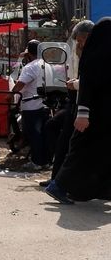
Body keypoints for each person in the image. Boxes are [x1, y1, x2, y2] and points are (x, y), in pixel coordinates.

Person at [46, 18, 111, 204]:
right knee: (80, 153)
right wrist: (83, 113)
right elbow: (88, 87)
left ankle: (99, 190)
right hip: (91, 116)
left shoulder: (103, 57)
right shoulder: (95, 59)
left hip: (103, 118)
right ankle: (57, 186)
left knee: (102, 154)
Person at [40, 20, 94, 188]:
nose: (79, 43)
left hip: (86, 103)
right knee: (61, 136)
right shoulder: (77, 52)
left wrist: (76, 84)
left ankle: (65, 182)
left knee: (74, 144)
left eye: (82, 39)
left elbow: (91, 81)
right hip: (74, 100)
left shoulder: (96, 53)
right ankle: (57, 179)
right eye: (78, 39)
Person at [11, 39, 50, 171]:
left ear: (29, 54)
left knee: (34, 135)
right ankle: (45, 161)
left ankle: (37, 162)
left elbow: (20, 85)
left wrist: (9, 95)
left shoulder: (30, 67)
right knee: (43, 135)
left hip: (31, 106)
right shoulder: (47, 64)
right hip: (45, 105)